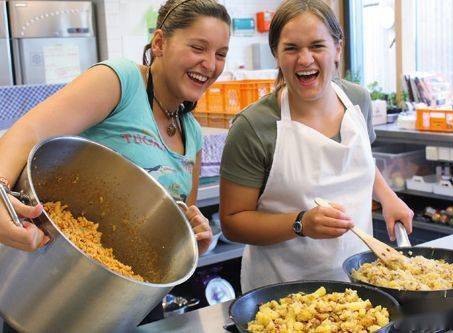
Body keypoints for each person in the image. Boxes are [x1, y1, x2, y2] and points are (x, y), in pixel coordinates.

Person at [0, 0, 230, 328]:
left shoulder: (191, 133)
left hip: (124, 307)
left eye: (221, 54)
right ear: (160, 43)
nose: (210, 64)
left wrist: (192, 243)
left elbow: (171, 225)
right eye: (198, 48)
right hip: (50, 289)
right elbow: (28, 131)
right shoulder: (121, 82)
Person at [219, 0, 413, 293]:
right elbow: (233, 223)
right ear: (277, 54)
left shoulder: (358, 100)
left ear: (337, 49)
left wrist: (388, 197)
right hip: (282, 295)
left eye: (317, 46)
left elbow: (361, 162)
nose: (305, 59)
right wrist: (300, 223)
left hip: (357, 285)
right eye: (292, 48)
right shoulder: (253, 127)